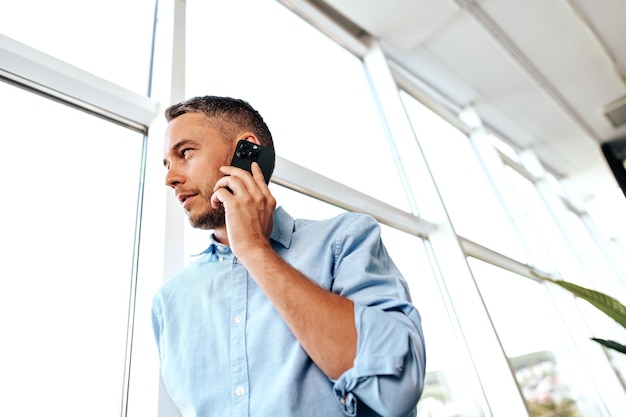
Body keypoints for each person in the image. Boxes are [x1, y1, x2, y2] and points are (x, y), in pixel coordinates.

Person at [152, 95, 426, 417]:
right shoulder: (168, 303)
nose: (170, 178)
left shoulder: (345, 240)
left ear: (246, 152)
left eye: (185, 153)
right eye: (167, 164)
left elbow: (397, 388)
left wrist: (254, 248)